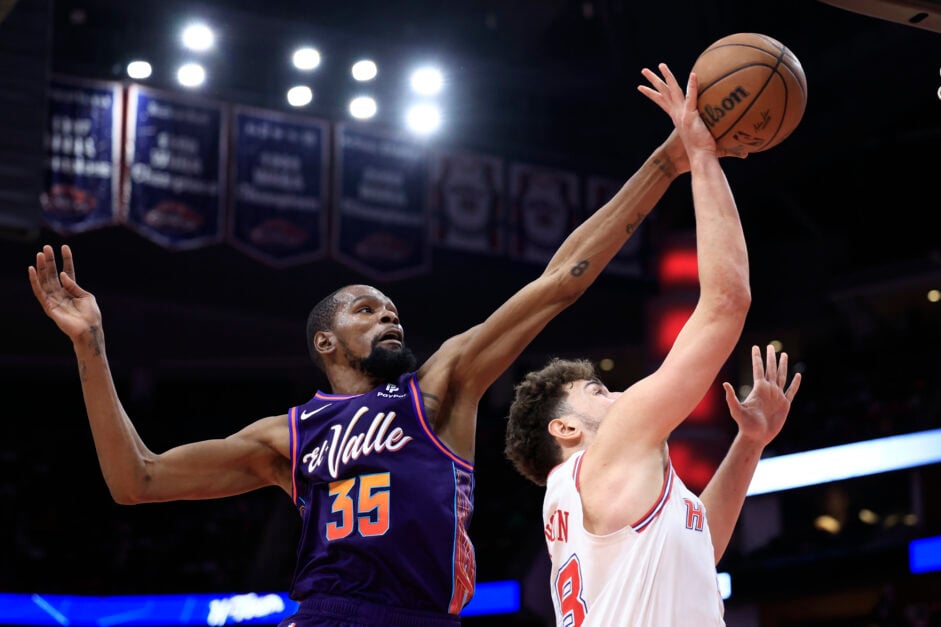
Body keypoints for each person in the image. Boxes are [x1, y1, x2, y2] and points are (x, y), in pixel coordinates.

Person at [27, 63, 737, 627]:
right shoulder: (289, 436)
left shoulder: (442, 386)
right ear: (327, 340)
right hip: (327, 613)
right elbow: (137, 479)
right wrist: (91, 348)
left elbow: (561, 280)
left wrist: (665, 164)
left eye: (392, 306)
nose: (389, 316)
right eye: (367, 309)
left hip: (425, 615)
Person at [503, 63, 802, 626]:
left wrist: (750, 443)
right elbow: (725, 305)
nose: (618, 393)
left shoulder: (585, 495)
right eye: (596, 390)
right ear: (566, 429)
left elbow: (698, 549)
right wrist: (702, 156)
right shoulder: (607, 453)